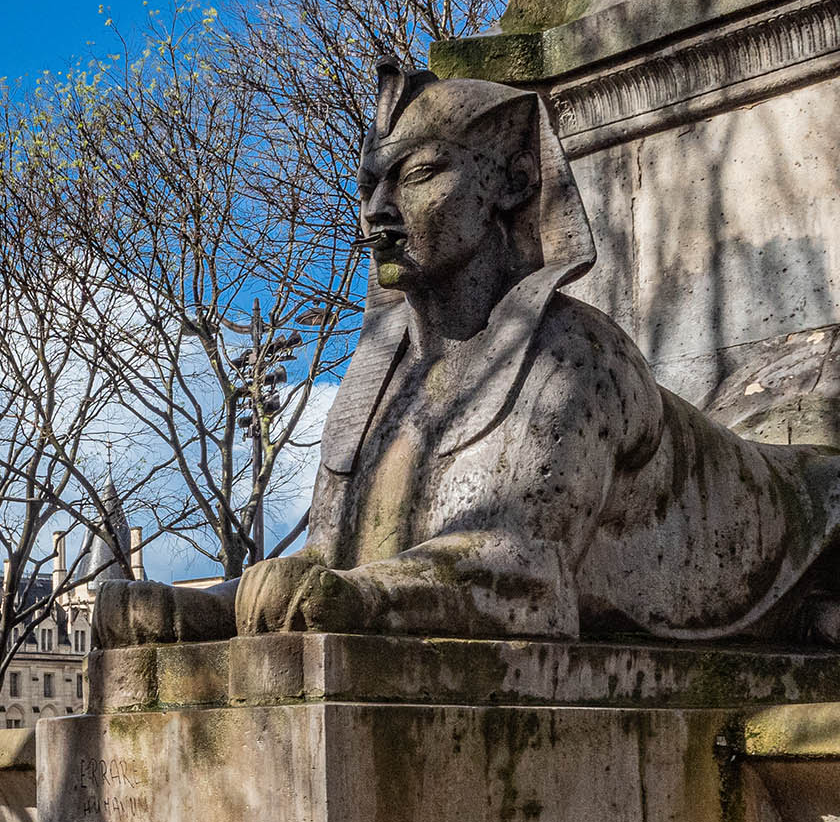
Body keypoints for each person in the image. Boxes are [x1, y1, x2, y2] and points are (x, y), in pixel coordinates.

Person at [96, 62, 840, 647]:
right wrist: (210, 608)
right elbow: (327, 560)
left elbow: (529, 577)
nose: (377, 210)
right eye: (369, 184)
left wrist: (365, 598)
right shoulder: (377, 379)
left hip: (796, 533)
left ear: (510, 182)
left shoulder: (573, 357)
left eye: (418, 175)